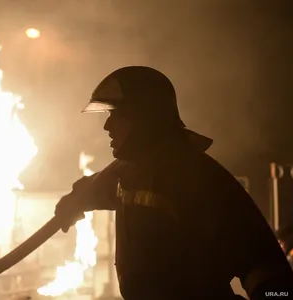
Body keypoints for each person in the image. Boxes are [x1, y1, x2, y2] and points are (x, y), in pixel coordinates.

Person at [54, 66, 293, 300]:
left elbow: (264, 266)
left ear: (143, 117)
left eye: (116, 115)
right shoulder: (132, 173)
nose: (107, 126)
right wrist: (74, 201)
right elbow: (97, 188)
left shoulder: (197, 177)